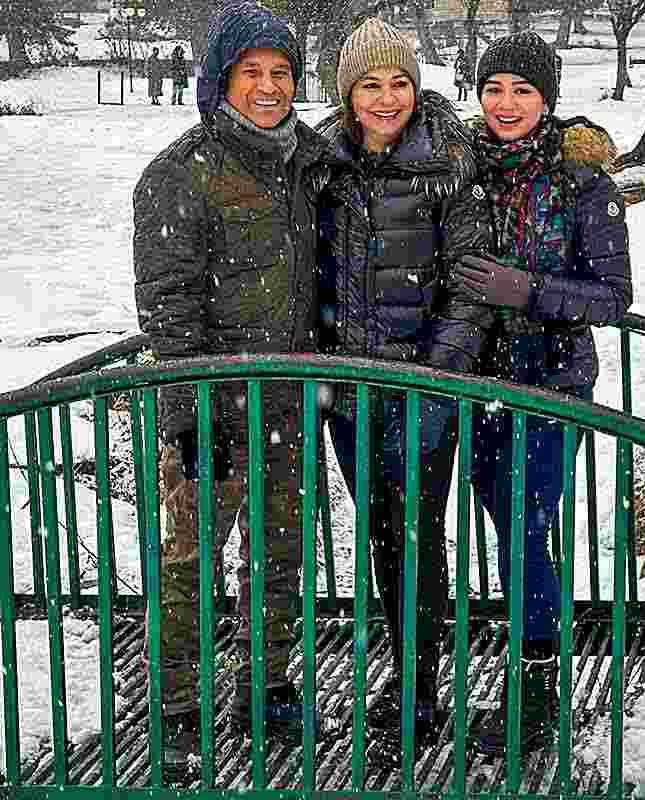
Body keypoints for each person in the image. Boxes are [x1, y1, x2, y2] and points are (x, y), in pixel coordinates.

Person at [131, 0, 334, 779]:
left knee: (281, 555)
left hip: (292, 397)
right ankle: (178, 701)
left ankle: (267, 684)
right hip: (213, 403)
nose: (269, 87)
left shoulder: (309, 163)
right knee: (189, 559)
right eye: (252, 72)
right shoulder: (180, 173)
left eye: (281, 72)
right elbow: (169, 300)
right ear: (221, 80)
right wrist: (189, 410)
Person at [315, 16, 491, 760]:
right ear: (346, 92)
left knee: (414, 531)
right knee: (382, 532)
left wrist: (431, 371)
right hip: (349, 390)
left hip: (422, 387)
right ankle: (403, 665)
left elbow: (472, 282)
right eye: (370, 85)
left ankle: (418, 687)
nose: (387, 99)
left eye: (399, 83)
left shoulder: (447, 157)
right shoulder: (318, 161)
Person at [456, 30, 632, 756]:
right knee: (504, 522)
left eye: (522, 90)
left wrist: (530, 291)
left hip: (553, 380)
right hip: (475, 378)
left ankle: (536, 680)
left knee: (528, 525)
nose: (505, 104)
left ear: (547, 99)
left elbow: (614, 296)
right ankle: (524, 638)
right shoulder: (460, 168)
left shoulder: (582, 183)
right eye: (493, 88)